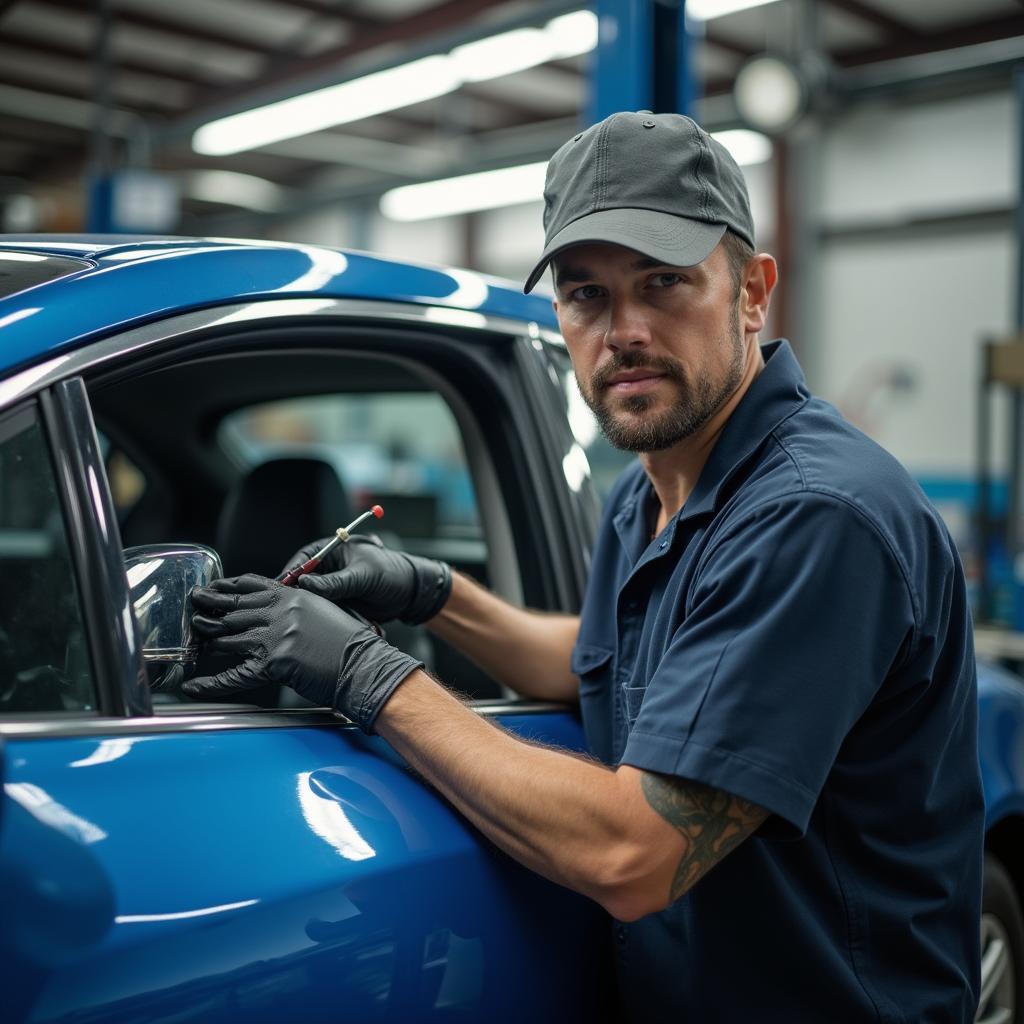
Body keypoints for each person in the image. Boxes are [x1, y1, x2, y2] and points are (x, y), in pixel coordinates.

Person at [186, 111, 984, 1022]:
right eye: (586, 296)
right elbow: (606, 660)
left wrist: (368, 675)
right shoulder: (648, 493)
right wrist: (421, 590)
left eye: (665, 283)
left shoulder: (814, 516)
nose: (625, 330)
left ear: (753, 293)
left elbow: (633, 856)